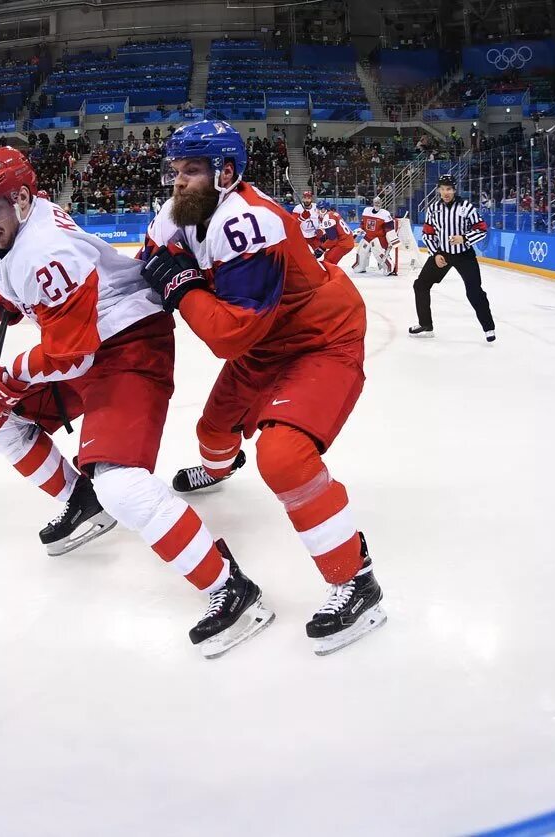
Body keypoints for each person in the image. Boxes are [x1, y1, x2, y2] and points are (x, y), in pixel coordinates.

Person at [0, 147, 268, 659]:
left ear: (20, 197)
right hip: (87, 342)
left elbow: (71, 357)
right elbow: (39, 317)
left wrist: (9, 376)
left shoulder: (45, 250)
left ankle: (233, 590)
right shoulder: (4, 227)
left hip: (129, 339)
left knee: (122, 482)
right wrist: (4, 302)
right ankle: (83, 501)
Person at [140, 120, 385, 656]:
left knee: (283, 455)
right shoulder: (179, 214)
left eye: (192, 171)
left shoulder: (246, 221)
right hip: (267, 343)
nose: (179, 182)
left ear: (225, 173)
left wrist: (179, 283)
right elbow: (149, 264)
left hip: (320, 339)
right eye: (175, 171)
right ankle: (223, 466)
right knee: (211, 431)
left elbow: (228, 335)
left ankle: (356, 581)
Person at [410, 175, 493, 341]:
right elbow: (428, 234)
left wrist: (464, 238)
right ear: (439, 190)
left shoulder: (466, 207)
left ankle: (488, 328)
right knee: (420, 285)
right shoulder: (433, 209)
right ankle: (426, 324)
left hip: (464, 255)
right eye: (442, 188)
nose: (445, 192)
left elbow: (482, 229)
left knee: (474, 291)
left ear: (454, 190)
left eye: (449, 189)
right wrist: (436, 254)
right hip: (443, 254)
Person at [356, 196, 398, 275]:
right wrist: (360, 229)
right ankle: (360, 266)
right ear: (373, 203)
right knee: (361, 250)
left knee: (379, 253)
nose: (377, 204)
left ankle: (389, 268)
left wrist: (392, 239)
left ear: (381, 203)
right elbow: (363, 223)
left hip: (378, 238)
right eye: (375, 202)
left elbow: (389, 228)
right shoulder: (366, 210)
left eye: (378, 203)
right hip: (368, 236)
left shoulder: (385, 214)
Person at [314, 200, 355, 266]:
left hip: (344, 243)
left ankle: (332, 276)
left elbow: (333, 239)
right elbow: (336, 232)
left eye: (318, 209)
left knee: (328, 261)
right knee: (327, 255)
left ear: (323, 209)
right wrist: (326, 236)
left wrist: (321, 248)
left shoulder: (327, 217)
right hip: (346, 240)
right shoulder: (333, 214)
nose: (317, 211)